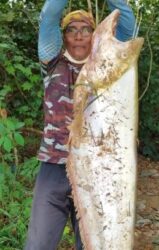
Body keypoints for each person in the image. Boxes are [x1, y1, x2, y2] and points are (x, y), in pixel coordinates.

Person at [25, 1, 135, 249]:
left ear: (94, 34)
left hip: (95, 169)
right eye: (71, 29)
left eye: (85, 29)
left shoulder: (108, 65)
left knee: (92, 242)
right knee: (38, 243)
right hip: (54, 165)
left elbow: (127, 21)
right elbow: (50, 14)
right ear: (62, 36)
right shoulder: (52, 60)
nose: (78, 35)